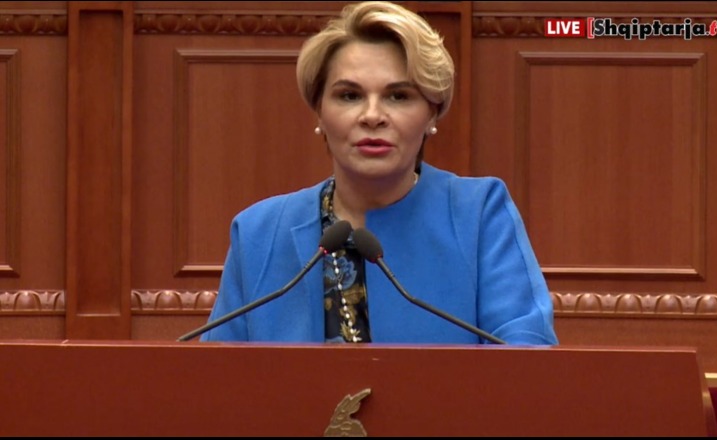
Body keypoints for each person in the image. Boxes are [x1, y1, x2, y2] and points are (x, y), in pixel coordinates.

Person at [200, 1, 558, 346]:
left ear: (432, 113)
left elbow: (526, 356)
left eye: (398, 96)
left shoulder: (478, 216)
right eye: (349, 96)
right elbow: (215, 374)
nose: (372, 116)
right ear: (319, 111)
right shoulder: (259, 233)